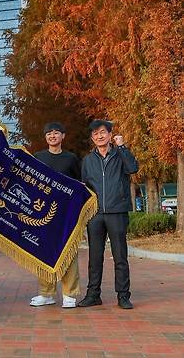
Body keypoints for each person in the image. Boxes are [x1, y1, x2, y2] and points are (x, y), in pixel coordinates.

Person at [78, 120, 138, 309]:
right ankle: (93, 294)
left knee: (120, 256)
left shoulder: (121, 154)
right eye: (95, 134)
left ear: (110, 135)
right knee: (94, 257)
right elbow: (85, 186)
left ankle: (123, 296)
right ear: (92, 138)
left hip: (117, 211)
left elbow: (133, 168)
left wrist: (122, 147)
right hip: (95, 214)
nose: (99, 136)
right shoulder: (88, 160)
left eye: (103, 132)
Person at [30, 122, 82, 309]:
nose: (53, 136)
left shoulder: (72, 159)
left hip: (67, 214)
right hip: (43, 214)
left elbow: (80, 185)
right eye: (49, 133)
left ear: (63, 136)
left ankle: (69, 293)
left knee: (69, 252)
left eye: (56, 133)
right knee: (44, 252)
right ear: (45, 137)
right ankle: (47, 293)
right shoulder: (38, 158)